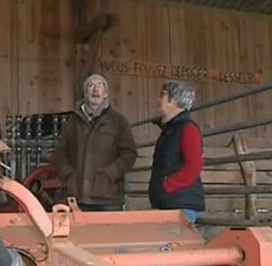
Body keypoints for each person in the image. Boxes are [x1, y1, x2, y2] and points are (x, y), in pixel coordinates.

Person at [51, 74, 137, 211]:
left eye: (100, 86)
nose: (95, 89)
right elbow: (58, 154)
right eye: (91, 86)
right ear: (85, 93)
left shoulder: (118, 122)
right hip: (77, 197)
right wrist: (69, 175)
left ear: (105, 94)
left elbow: (129, 154)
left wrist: (110, 173)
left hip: (108, 198)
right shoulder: (72, 123)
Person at [148, 80, 204, 223]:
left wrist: (167, 187)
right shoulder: (171, 130)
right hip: (171, 201)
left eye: (163, 95)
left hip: (180, 204)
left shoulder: (187, 129)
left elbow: (194, 166)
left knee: (176, 243)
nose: (158, 100)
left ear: (175, 101)